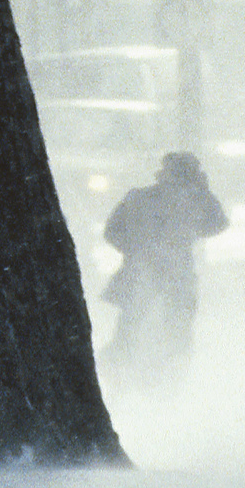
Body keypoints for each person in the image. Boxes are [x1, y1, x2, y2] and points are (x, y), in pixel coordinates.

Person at [102, 150, 229, 382]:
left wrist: (135, 250)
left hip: (145, 272)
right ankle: (157, 373)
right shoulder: (193, 201)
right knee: (173, 326)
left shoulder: (138, 198)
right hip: (171, 275)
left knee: (133, 323)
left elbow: (112, 231)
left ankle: (121, 367)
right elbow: (217, 224)